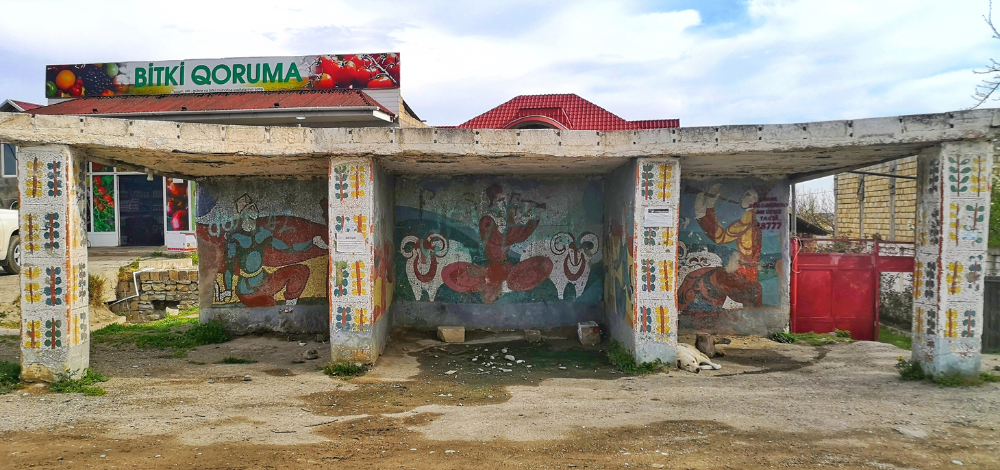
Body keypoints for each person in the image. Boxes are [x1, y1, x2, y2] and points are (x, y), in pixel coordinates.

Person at [678, 184, 763, 310]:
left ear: (751, 201)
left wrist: (705, 212)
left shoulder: (745, 222)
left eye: (746, 196)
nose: (742, 199)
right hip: (748, 272)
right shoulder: (753, 222)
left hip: (741, 274)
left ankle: (678, 308)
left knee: (695, 276)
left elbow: (720, 238)